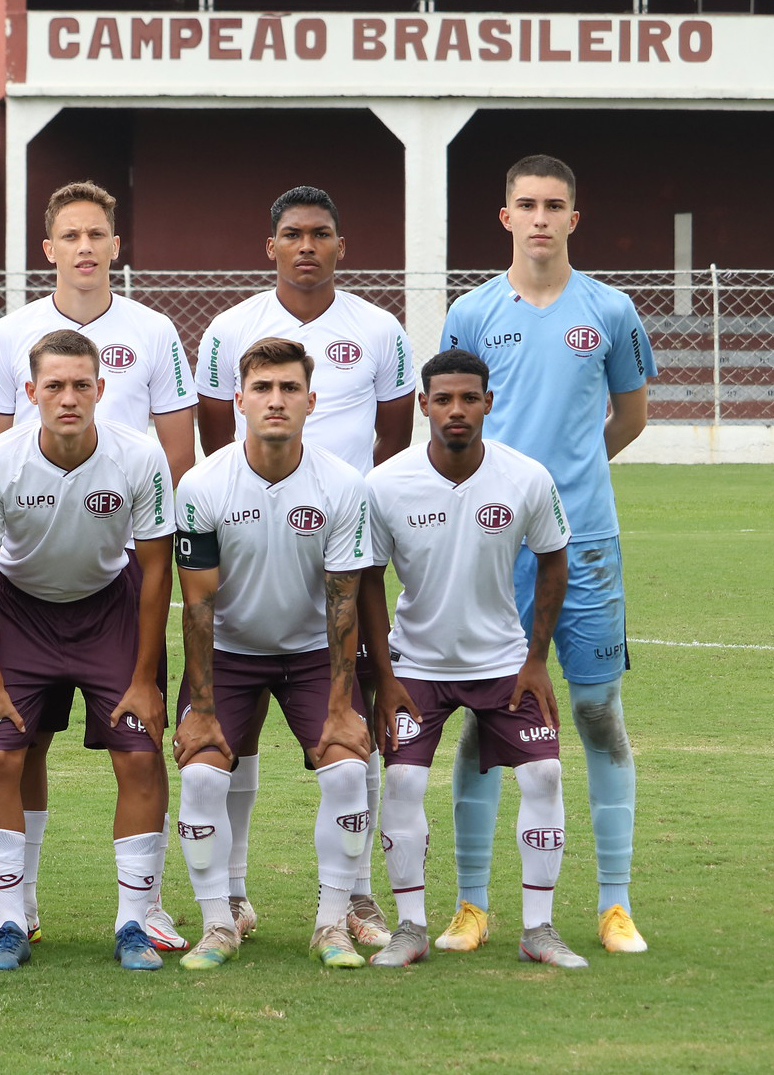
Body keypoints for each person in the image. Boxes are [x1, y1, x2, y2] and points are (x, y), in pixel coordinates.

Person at [0, 180, 195, 952]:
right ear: (32, 391)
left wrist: (143, 673)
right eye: (53, 387)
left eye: (82, 387)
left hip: (110, 597)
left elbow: (159, 569)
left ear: (103, 390)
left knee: (139, 746)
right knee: (3, 754)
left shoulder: (143, 412)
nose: (67, 398)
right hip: (24, 606)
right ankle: (9, 915)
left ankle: (137, 914)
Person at [440, 154, 656, 955]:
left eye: (553, 205)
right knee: (483, 719)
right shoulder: (470, 313)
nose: (539, 217)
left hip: (589, 544)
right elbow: (452, 415)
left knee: (600, 713)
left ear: (574, 217)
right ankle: (471, 904)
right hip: (497, 545)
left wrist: (569, 479)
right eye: (525, 204)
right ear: (505, 217)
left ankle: (614, 904)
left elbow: (629, 418)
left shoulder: (611, 310)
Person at [192, 185, 416, 947]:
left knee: (353, 716)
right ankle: (234, 897)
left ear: (341, 245)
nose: (308, 247)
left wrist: (342, 511)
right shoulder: (230, 329)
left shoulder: (381, 328)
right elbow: (219, 434)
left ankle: (354, 900)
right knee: (232, 742)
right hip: (257, 540)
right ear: (272, 246)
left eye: (322, 234)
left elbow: (393, 438)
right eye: (293, 234)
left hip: (346, 540)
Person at [360, 348, 587, 969]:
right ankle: (409, 926)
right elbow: (368, 580)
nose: (455, 411)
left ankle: (538, 928)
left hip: (505, 663)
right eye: (442, 399)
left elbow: (554, 558)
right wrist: (383, 673)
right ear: (422, 405)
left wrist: (537, 659)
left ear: (488, 402)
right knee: (403, 781)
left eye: (468, 398)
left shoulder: (527, 478)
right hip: (416, 667)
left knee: (545, 775)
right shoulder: (386, 484)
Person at [171, 336, 374, 970]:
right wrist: (200, 707)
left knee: (346, 769)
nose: (276, 401)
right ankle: (218, 924)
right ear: (238, 400)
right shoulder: (203, 484)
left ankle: (332, 923)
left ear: (312, 401)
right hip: (229, 652)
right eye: (262, 388)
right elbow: (198, 608)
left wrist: (342, 708)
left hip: (313, 653)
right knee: (202, 775)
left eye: (289, 388)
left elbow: (345, 604)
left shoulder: (343, 486)